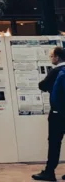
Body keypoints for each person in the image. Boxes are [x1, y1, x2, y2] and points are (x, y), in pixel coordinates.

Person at [34, 46, 65, 180]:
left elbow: (42, 85)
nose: (51, 58)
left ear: (57, 57)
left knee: (54, 142)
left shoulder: (56, 71)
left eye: (51, 56)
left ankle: (49, 171)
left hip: (57, 113)